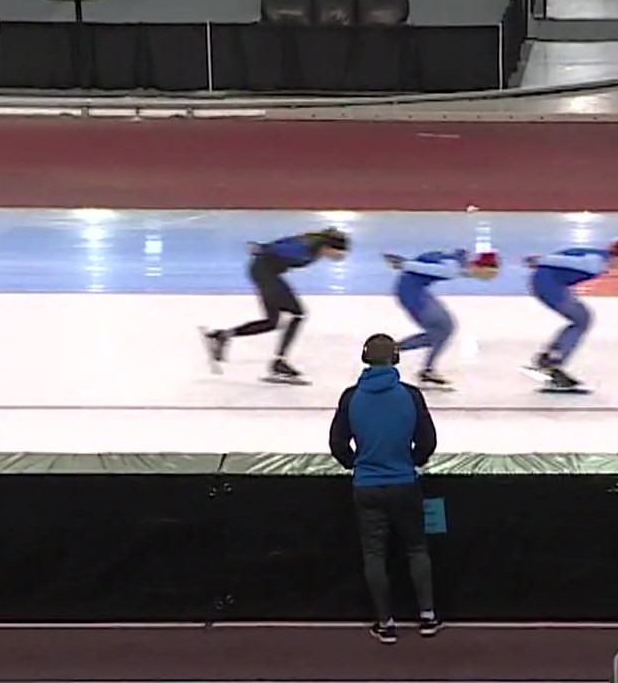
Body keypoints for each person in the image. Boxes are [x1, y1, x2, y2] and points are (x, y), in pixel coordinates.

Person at [328, 333, 441, 645]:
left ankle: (386, 622)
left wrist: (357, 464)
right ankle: (428, 616)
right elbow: (428, 442)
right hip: (404, 483)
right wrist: (410, 461)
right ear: (396, 359)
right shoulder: (411, 395)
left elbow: (337, 445)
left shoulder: (351, 397)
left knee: (374, 553)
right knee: (417, 548)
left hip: (367, 486)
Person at [202, 227, 349, 385]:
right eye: (339, 253)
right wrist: (262, 248)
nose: (340, 258)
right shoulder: (305, 247)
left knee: (272, 322)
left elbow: (283, 242)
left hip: (265, 272)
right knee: (298, 314)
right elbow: (280, 247)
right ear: (328, 246)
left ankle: (222, 336)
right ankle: (279, 363)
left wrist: (265, 248)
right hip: (264, 272)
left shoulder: (313, 247)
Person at [522, 239, 618, 391]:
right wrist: (540, 260)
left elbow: (569, 256)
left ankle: (551, 356)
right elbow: (564, 260)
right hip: (547, 284)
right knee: (581, 320)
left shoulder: (599, 258)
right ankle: (552, 362)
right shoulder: (595, 264)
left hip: (551, 282)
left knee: (582, 319)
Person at [384, 248, 502, 390]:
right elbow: (430, 269)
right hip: (411, 294)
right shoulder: (452, 269)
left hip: (413, 290)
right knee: (443, 329)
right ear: (483, 268)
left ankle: (419, 364)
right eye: (490, 274)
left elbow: (454, 265)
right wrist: (404, 264)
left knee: (441, 331)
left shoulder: (460, 262)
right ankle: (391, 352)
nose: (488, 279)